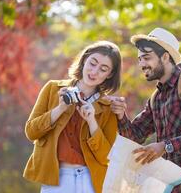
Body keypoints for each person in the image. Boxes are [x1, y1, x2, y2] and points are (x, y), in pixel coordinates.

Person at [109, 28, 181, 193]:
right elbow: (135, 136)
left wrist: (165, 146)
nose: (142, 64)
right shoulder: (156, 98)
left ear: (165, 56)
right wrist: (121, 115)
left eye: (147, 58)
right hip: (175, 187)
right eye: (140, 59)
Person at [23, 41, 122, 193]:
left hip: (90, 180)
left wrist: (92, 122)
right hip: (56, 178)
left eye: (103, 69)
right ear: (84, 60)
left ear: (110, 74)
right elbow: (31, 132)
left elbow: (106, 157)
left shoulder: (109, 106)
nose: (94, 72)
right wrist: (61, 108)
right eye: (92, 63)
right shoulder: (53, 89)